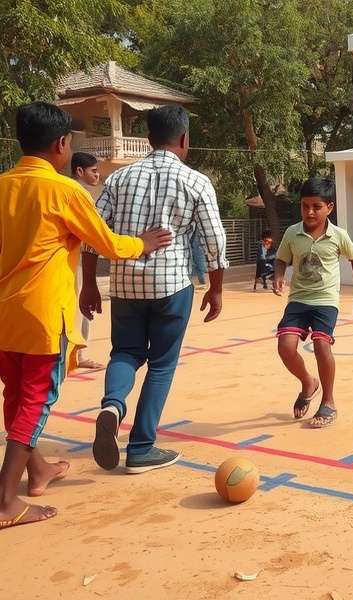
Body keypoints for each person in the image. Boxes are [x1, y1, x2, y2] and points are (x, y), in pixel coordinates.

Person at [0, 102, 170, 529]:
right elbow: (107, 243)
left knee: (16, 397)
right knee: (35, 403)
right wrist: (142, 244)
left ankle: (36, 470)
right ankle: (5, 502)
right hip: (42, 317)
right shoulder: (66, 191)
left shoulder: (3, 185)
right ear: (61, 145)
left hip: (4, 317)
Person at [81, 105, 229, 474]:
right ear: (184, 139)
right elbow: (214, 240)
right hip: (171, 286)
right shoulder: (195, 182)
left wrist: (88, 285)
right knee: (161, 365)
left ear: (148, 139)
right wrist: (216, 289)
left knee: (125, 353)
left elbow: (91, 235)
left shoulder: (118, 179)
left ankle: (112, 405)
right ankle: (142, 447)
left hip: (125, 285)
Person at [272, 177, 353, 429]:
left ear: (330, 208)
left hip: (326, 301)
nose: (310, 212)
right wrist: (279, 276)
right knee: (285, 346)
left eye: (316, 206)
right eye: (305, 206)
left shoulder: (339, 235)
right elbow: (282, 259)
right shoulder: (292, 233)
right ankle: (308, 382)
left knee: (321, 345)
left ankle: (328, 401)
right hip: (298, 300)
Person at [71, 152, 105, 369]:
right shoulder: (77, 194)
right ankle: (77, 356)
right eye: (94, 171)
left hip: (75, 259)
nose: (98, 175)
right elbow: (96, 234)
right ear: (80, 171)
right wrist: (137, 245)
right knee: (78, 305)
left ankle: (78, 355)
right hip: (73, 260)